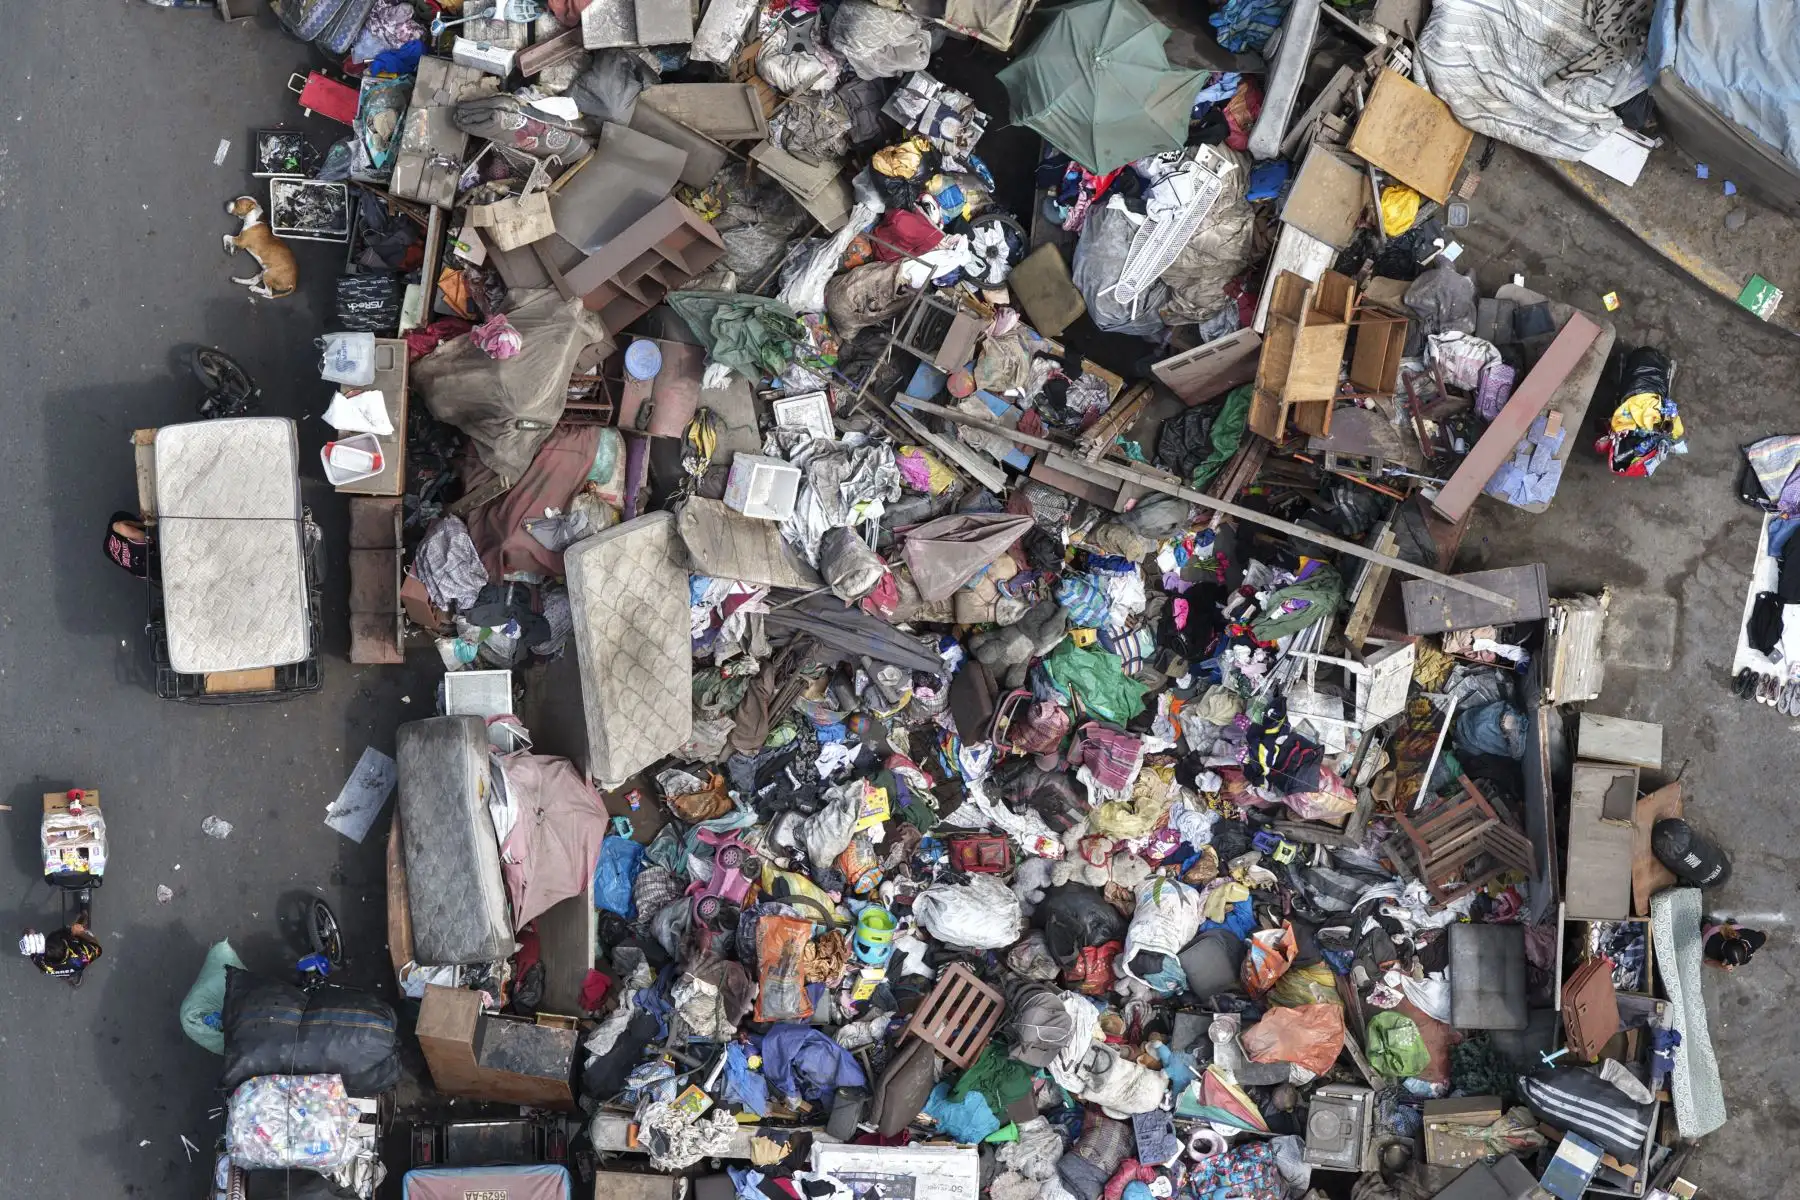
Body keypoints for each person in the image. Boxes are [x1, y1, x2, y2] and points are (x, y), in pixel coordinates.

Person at [19, 924, 103, 986]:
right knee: (86, 932)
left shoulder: (38, 960)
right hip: (77, 961)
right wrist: (80, 933)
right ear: (65, 945)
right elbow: (98, 950)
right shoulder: (81, 958)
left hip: (60, 969)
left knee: (65, 974)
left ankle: (69, 978)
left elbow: (34, 956)